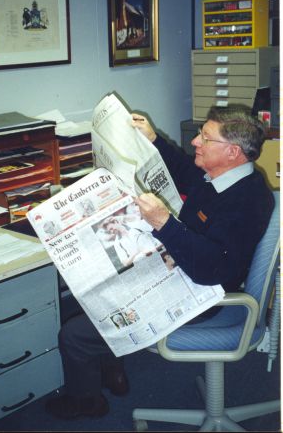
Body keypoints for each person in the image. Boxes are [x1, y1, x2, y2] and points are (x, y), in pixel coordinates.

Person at [44, 105, 274, 420]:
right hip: (184, 268)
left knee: (75, 333)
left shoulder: (246, 201)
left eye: (205, 138)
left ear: (233, 152)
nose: (195, 142)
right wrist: (153, 139)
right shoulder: (223, 177)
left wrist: (164, 223)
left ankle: (87, 402)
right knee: (95, 290)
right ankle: (114, 373)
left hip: (204, 294)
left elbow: (212, 270)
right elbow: (184, 170)